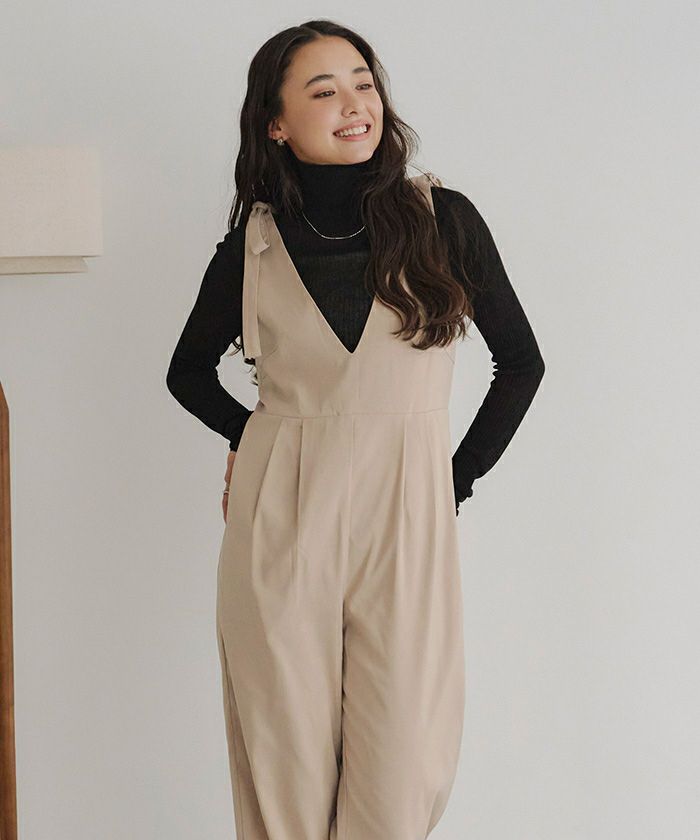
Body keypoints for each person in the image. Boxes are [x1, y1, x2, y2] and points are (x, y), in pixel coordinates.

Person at [166, 19, 545, 840]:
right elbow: (185, 372)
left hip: (406, 517)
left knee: (401, 775)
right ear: (276, 123)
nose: (354, 103)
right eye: (324, 89)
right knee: (286, 778)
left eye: (364, 83)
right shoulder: (252, 247)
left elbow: (521, 363)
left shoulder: (443, 219)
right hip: (280, 524)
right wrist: (252, 440)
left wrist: (451, 479)